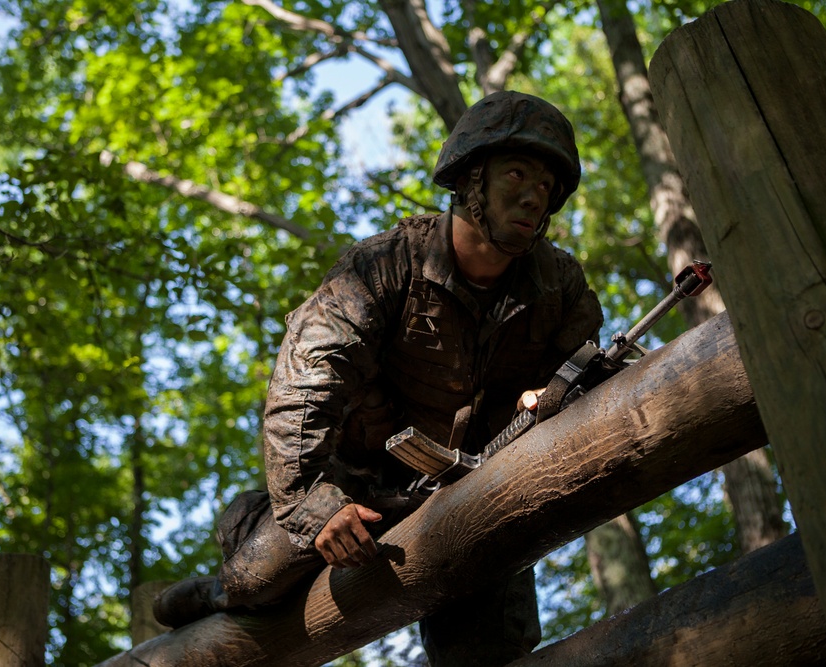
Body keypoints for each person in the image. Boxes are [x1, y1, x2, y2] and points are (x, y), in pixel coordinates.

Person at [152, 90, 603, 665]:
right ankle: (232, 561)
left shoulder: (559, 284)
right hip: (359, 487)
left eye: (547, 186)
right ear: (470, 181)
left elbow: (585, 367)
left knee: (494, 650)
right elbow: (303, 390)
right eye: (517, 173)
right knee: (255, 583)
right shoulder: (382, 266)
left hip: (477, 484)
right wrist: (317, 505)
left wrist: (560, 393)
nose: (534, 196)